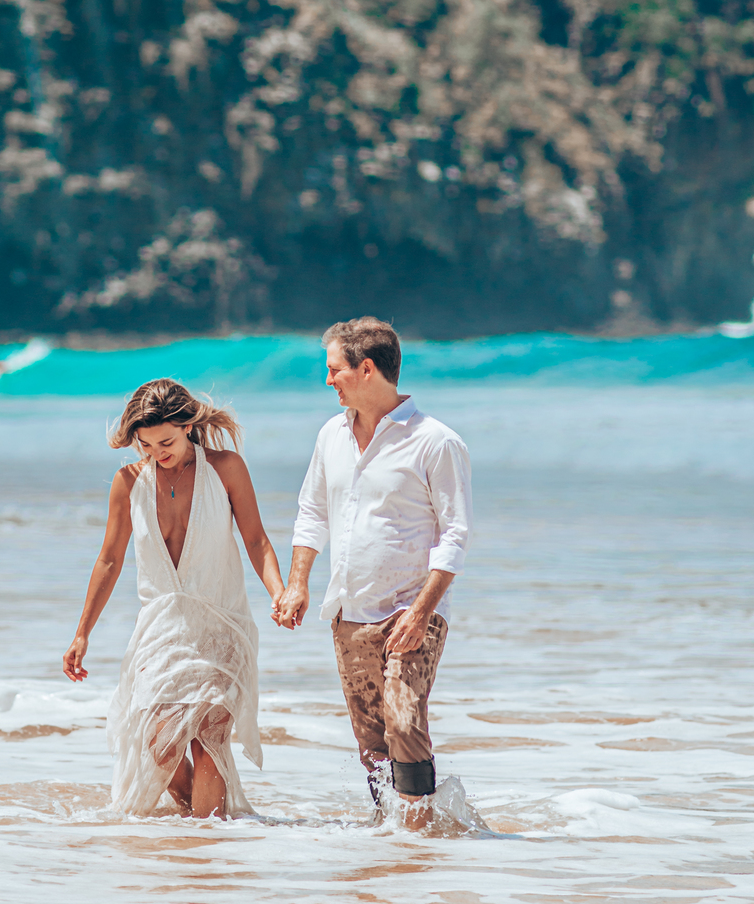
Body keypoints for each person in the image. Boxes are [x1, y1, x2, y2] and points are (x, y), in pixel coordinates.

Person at [275, 317, 473, 831]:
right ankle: (392, 837)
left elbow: (455, 535)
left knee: (405, 722)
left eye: (334, 370)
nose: (328, 381)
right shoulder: (331, 436)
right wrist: (298, 582)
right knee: (372, 744)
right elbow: (311, 512)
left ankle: (418, 836)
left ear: (366, 369)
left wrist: (422, 611)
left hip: (412, 609)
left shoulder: (435, 441)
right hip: (348, 611)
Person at [64, 378, 286, 819]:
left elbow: (256, 540)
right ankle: (196, 823)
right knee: (160, 741)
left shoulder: (226, 468)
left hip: (222, 620)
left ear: (188, 426)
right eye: (145, 444)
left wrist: (280, 593)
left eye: (165, 441)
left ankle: (203, 851)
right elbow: (109, 561)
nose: (156, 453)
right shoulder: (128, 483)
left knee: (209, 736)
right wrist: (82, 632)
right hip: (162, 625)